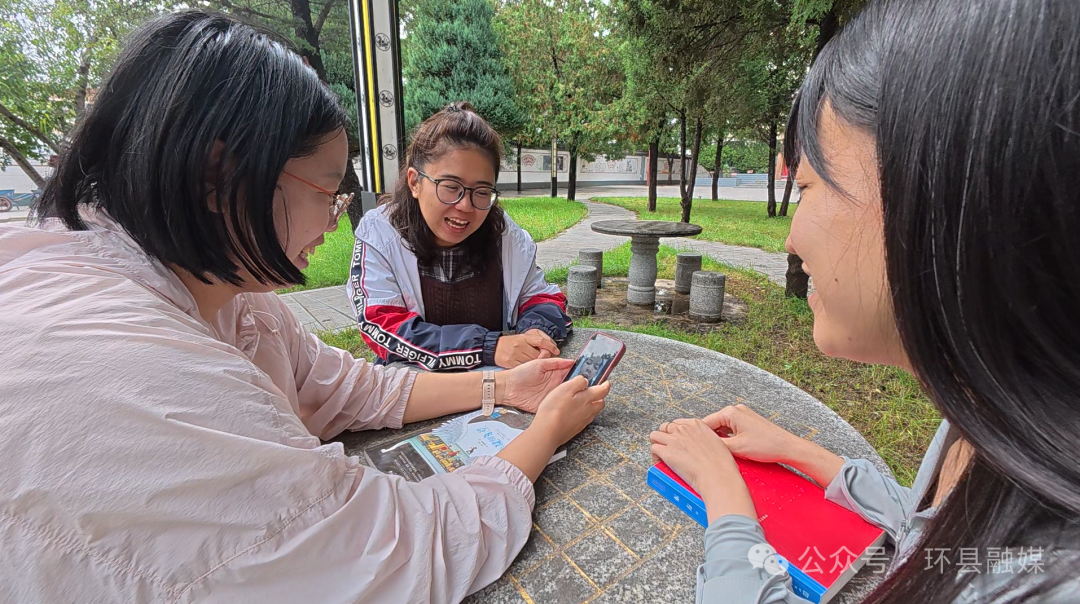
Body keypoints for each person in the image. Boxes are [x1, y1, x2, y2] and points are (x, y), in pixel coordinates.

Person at [0, 11, 610, 604]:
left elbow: (347, 386)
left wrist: (504, 382)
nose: (334, 218)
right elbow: (388, 552)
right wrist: (540, 422)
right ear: (221, 175)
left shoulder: (233, 295)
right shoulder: (136, 366)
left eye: (481, 193)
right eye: (327, 191)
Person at [648, 1, 1080, 603]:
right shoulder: (991, 427)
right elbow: (928, 529)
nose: (791, 239)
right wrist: (800, 452)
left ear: (933, 196)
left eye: (807, 186)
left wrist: (726, 501)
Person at [349, 103, 571, 372]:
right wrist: (487, 347)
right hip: (416, 388)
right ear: (415, 182)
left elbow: (541, 296)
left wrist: (536, 332)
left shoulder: (505, 236)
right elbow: (382, 326)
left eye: (482, 192)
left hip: (501, 387)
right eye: (450, 187)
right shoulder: (380, 235)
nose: (465, 206)